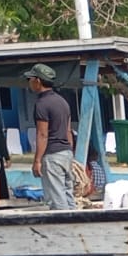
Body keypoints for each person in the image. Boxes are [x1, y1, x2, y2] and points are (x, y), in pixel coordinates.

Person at [25, 64, 75, 211]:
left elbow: (42, 134)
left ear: (38, 81)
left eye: (30, 79)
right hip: (66, 153)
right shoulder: (62, 101)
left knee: (56, 199)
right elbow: (68, 131)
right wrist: (69, 152)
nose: (29, 82)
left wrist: (37, 161)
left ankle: (63, 230)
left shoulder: (42, 104)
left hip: (52, 155)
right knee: (68, 195)